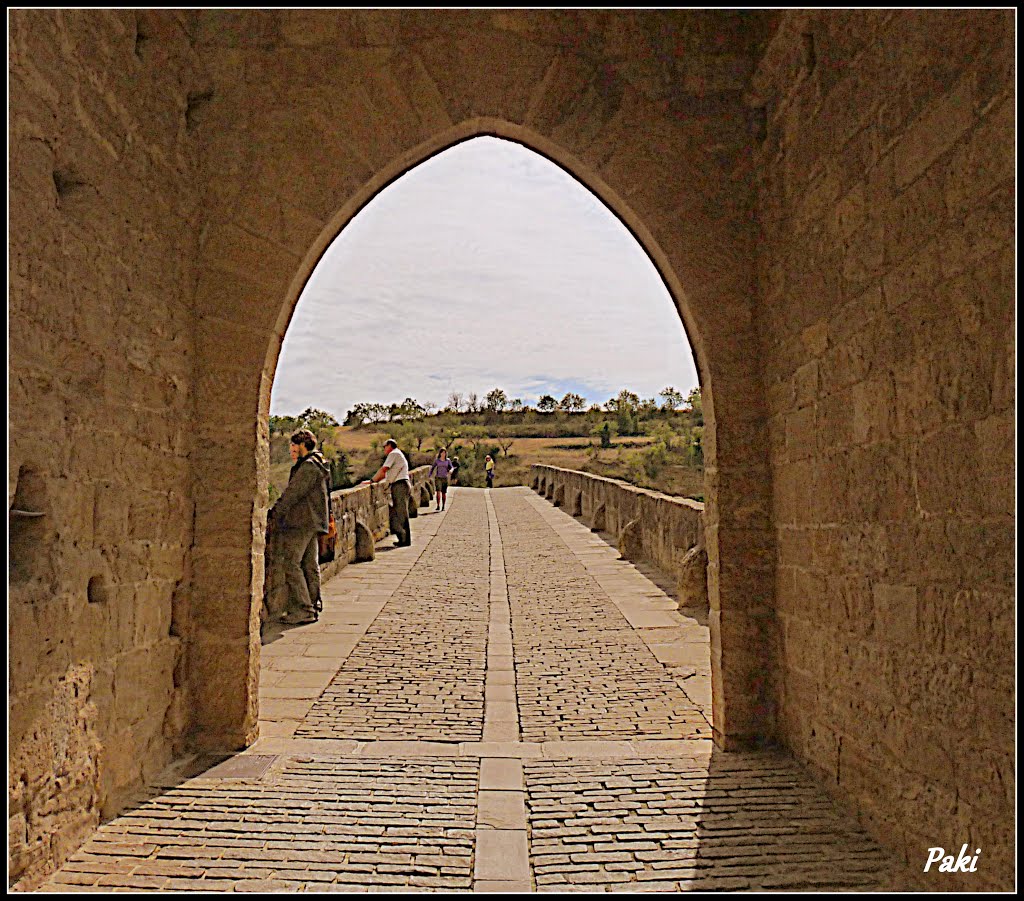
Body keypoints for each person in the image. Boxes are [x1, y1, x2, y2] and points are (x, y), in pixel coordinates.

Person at [268, 428, 331, 625]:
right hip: (313, 521)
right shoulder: (319, 464)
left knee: (292, 562)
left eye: (294, 446)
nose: (291, 450)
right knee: (310, 564)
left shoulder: (309, 467)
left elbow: (293, 494)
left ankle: (305, 609)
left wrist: (274, 513)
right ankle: (313, 602)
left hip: (302, 521)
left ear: (302, 445)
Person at [366, 438, 412, 547]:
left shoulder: (394, 454)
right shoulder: (398, 454)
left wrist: (372, 481)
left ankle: (405, 539)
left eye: (385, 446)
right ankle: (402, 538)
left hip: (400, 485)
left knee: (401, 513)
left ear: (390, 445)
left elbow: (384, 469)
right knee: (399, 512)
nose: (384, 449)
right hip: (401, 484)